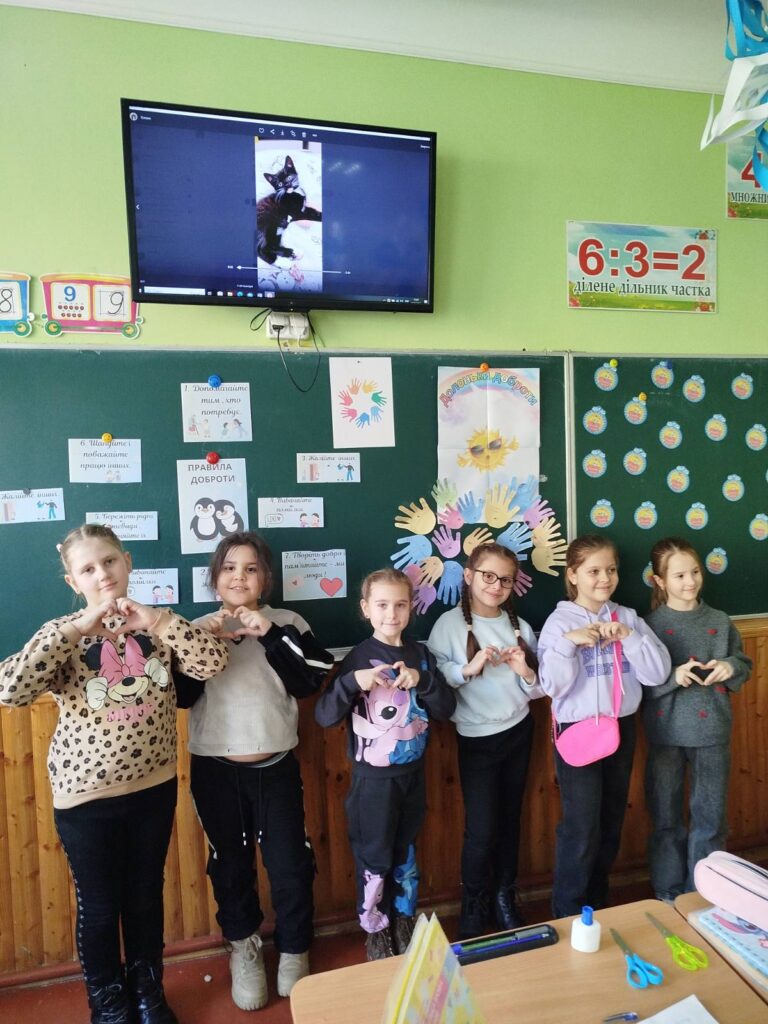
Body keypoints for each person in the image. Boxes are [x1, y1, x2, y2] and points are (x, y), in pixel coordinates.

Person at [0, 523, 228, 1024]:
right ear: (73, 581)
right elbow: (11, 689)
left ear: (127, 562)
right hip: (85, 799)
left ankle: (148, 992)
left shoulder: (157, 624)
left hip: (153, 788)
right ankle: (107, 1003)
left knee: (145, 897)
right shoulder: (62, 633)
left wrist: (159, 620)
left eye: (109, 561)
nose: (102, 574)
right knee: (101, 906)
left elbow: (212, 663)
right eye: (87, 568)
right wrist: (75, 631)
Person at [187, 531, 334, 1010]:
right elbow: (182, 696)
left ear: (266, 578)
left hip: (275, 766)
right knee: (230, 865)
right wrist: (205, 642)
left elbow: (309, 680)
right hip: (215, 767)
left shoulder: (287, 623)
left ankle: (294, 946)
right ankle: (243, 946)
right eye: (229, 568)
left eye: (251, 568)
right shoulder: (196, 628)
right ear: (215, 577)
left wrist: (268, 633)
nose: (239, 577)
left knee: (290, 863)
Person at [315, 568, 455, 960]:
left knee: (406, 854)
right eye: (382, 605)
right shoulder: (357, 659)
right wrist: (352, 682)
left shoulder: (420, 656)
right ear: (366, 609)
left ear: (411, 608)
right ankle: (375, 927)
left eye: (400, 605)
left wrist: (422, 681)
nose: (391, 614)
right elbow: (324, 716)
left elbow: (446, 709)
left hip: (413, 776)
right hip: (372, 783)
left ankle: (404, 919)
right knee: (374, 857)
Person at [537, 534, 670, 918]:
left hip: (620, 726)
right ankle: (568, 914)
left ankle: (596, 906)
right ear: (573, 575)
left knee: (611, 820)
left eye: (611, 570)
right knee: (581, 827)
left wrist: (630, 637)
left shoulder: (627, 617)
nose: (604, 578)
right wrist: (569, 643)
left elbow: (657, 673)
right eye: (593, 571)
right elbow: (552, 686)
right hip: (578, 730)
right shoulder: (559, 622)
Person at [427, 541, 542, 939]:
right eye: (488, 576)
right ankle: (474, 903)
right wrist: (468, 668)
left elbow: (538, 689)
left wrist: (525, 671)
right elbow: (436, 679)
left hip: (518, 732)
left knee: (510, 820)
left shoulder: (519, 626)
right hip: (477, 739)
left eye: (505, 580)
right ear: (469, 575)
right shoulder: (448, 625)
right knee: (481, 828)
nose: (496, 586)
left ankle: (504, 896)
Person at [643, 537, 752, 902]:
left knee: (711, 818)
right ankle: (668, 890)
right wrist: (673, 676)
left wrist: (730, 667)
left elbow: (744, 664)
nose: (690, 581)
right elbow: (638, 684)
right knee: (666, 818)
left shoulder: (719, 621)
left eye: (695, 572)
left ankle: (703, 892)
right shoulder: (649, 625)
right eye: (679, 576)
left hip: (712, 732)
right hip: (665, 734)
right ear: (660, 581)